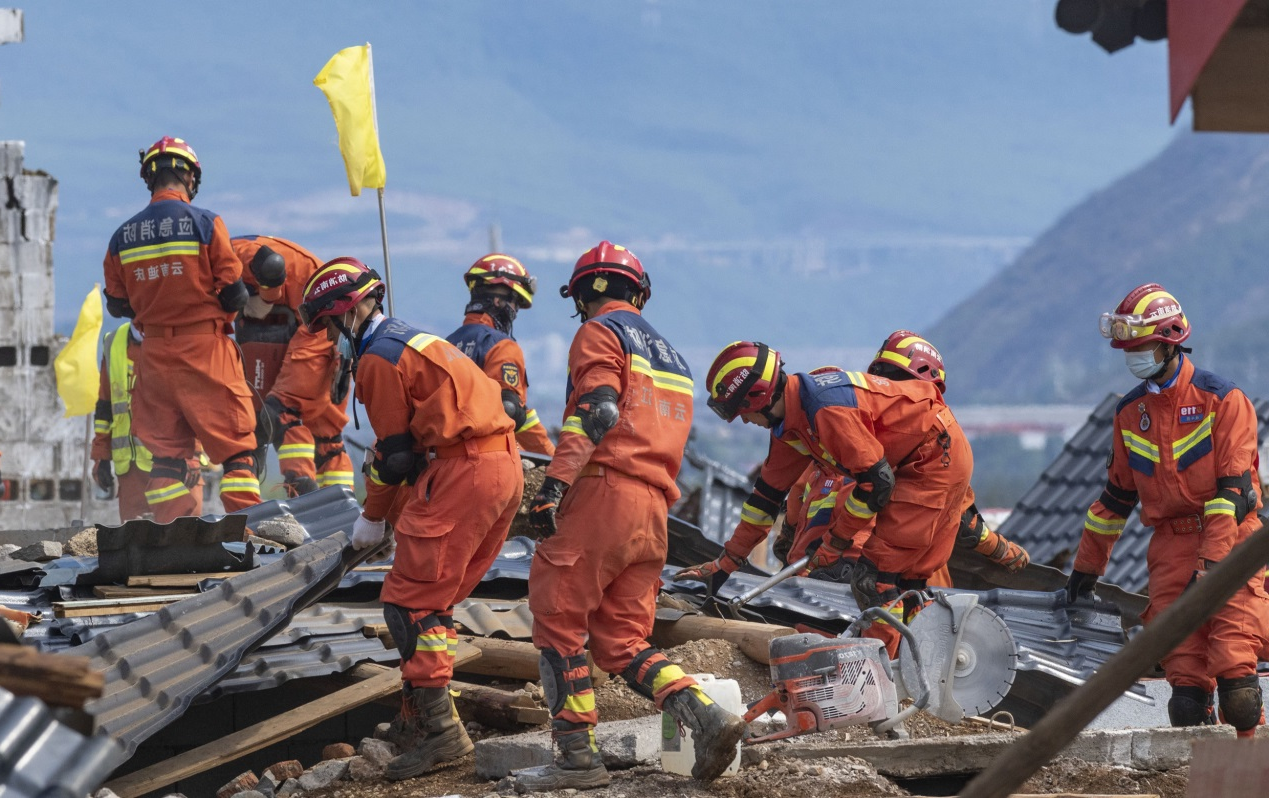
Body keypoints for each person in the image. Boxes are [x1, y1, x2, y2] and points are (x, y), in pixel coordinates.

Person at [515, 242, 745, 791]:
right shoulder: (674, 358)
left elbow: (598, 409)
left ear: (583, 297)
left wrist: (554, 485)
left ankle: (575, 758)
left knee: (558, 613)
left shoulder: (600, 333)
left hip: (604, 492)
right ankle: (706, 716)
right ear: (638, 292)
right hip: (655, 509)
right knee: (622, 641)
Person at [299, 257, 523, 779]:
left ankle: (442, 733)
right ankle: (415, 718)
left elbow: (395, 457)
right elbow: (415, 457)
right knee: (431, 596)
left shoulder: (378, 359)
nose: (330, 342)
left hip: (466, 471)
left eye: (329, 328)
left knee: (410, 602)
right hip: (496, 467)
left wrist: (372, 519)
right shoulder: (408, 340)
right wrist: (394, 514)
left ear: (345, 316)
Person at [680, 340, 972, 658]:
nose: (745, 421)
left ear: (758, 396)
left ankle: (886, 675)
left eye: (743, 412)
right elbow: (764, 499)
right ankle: (908, 657)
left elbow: (876, 484)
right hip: (909, 457)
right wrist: (727, 561)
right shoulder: (790, 425)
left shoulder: (826, 408)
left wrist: (836, 542)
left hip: (934, 456)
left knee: (876, 579)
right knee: (894, 580)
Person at [1066, 283, 1268, 738]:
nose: (1133, 356)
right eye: (1128, 348)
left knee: (1238, 686)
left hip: (1232, 545)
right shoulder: (1129, 413)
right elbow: (1114, 500)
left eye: (1141, 347)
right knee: (1185, 700)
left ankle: (1253, 765)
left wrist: (1212, 565)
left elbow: (1232, 493)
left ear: (1170, 342)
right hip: (1170, 552)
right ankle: (1198, 777)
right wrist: (1086, 569)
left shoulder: (1223, 400)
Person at [101, 136, 260, 521]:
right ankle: (257, 537)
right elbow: (234, 293)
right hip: (204, 351)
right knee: (237, 452)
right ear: (189, 176)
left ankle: (172, 537)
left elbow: (118, 304)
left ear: (149, 179)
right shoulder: (205, 223)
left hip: (153, 356)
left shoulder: (122, 237)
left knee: (168, 460)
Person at [234, 235, 355, 495]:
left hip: (320, 323)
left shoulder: (226, 252)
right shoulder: (224, 250)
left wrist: (264, 300)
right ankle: (342, 511)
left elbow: (271, 265)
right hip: (334, 323)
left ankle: (304, 498)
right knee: (327, 437)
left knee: (280, 413)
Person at [91, 321, 206, 520]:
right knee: (136, 543)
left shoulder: (179, 336)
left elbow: (195, 404)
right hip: (131, 471)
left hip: (177, 466)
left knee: (184, 537)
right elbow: (105, 406)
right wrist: (101, 456)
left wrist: (193, 453)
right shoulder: (113, 342)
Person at [447, 254, 555, 456]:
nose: (515, 311)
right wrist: (551, 457)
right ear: (498, 301)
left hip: (445, 464)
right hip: (487, 460)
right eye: (515, 304)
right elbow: (510, 409)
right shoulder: (502, 347)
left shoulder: (445, 345)